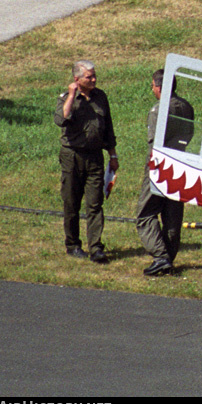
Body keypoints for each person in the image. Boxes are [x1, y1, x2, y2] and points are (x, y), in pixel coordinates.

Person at [54, 60, 118, 264]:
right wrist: (72, 95)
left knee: (95, 203)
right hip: (72, 156)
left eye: (94, 75)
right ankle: (72, 245)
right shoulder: (66, 98)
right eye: (89, 77)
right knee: (71, 202)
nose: (94, 79)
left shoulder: (101, 97)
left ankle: (96, 247)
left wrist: (113, 155)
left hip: (95, 157)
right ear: (77, 79)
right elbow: (61, 119)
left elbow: (108, 127)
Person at [137, 69, 194, 276]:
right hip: (180, 163)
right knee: (173, 213)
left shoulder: (158, 109)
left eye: (152, 86)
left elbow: (153, 141)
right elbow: (189, 134)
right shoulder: (186, 107)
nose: (152, 89)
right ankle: (169, 257)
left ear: (159, 87)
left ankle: (160, 256)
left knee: (145, 214)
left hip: (159, 165)